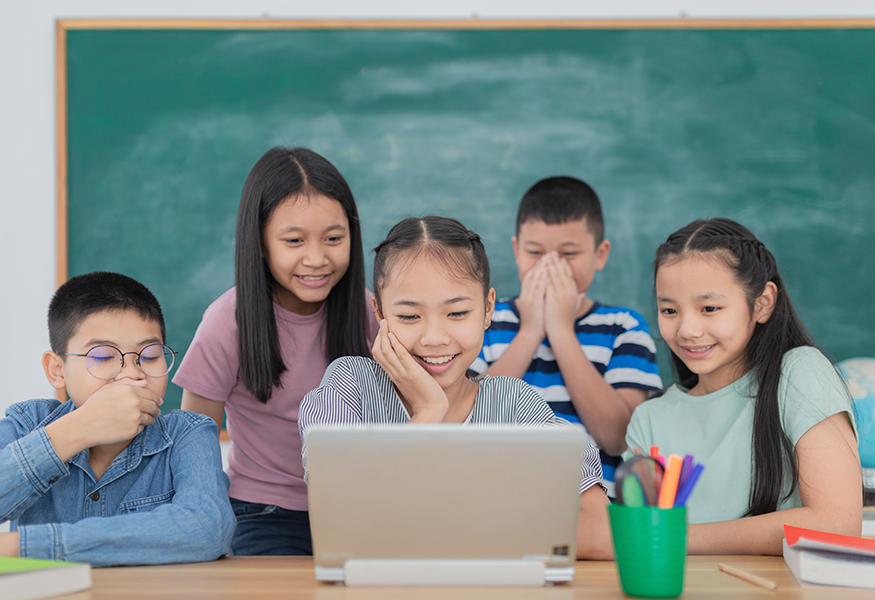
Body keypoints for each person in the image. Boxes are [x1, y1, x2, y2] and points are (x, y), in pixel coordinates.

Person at [299, 216, 614, 560]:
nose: (434, 338)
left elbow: (601, 532)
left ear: (488, 308)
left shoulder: (514, 405)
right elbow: (340, 526)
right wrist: (428, 411)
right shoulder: (351, 387)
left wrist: (425, 522)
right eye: (409, 316)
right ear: (378, 311)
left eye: (458, 313)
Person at [175, 147, 377, 556]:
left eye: (333, 238)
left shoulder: (369, 311)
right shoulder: (227, 320)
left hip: (360, 506)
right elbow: (194, 440)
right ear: (262, 243)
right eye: (294, 241)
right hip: (263, 514)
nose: (316, 258)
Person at [627, 218, 861, 555]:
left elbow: (837, 523)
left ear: (763, 303)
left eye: (710, 308)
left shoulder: (799, 372)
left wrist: (675, 537)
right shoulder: (649, 421)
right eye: (669, 310)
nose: (687, 330)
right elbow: (639, 541)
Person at [0, 272, 235, 566]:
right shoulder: (26, 422)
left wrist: (18, 547)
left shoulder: (188, 434)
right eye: (102, 357)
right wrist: (79, 429)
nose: (132, 374)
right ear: (57, 370)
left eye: (150, 355)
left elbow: (208, 527)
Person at [470, 176, 662, 492]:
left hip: (595, 505)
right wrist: (530, 332)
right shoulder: (484, 320)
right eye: (535, 252)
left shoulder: (624, 328)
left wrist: (561, 331)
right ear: (516, 250)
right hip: (499, 495)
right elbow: (471, 424)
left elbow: (617, 438)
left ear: (600, 254)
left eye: (569, 254)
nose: (549, 265)